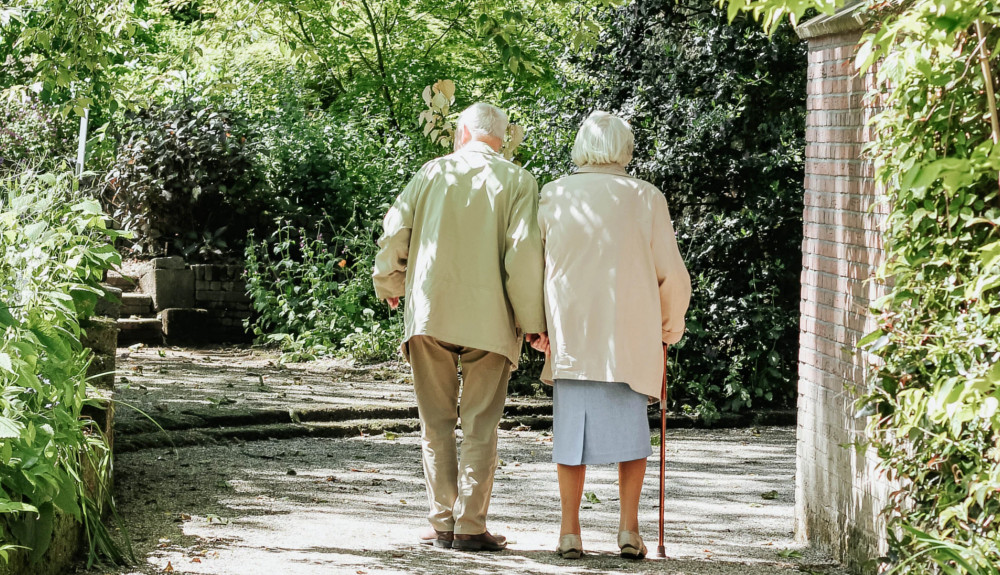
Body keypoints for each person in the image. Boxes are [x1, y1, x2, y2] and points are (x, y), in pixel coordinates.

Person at [372, 103, 548, 552]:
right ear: (502, 138)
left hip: (432, 312)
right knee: (480, 424)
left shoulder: (430, 173)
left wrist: (389, 281)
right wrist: (533, 323)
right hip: (491, 319)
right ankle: (470, 526)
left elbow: (395, 233)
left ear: (463, 132)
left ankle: (441, 522)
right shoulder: (519, 181)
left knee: (435, 423)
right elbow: (523, 255)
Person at [534, 111, 691, 560]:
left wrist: (537, 326)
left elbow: (535, 267)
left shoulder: (554, 194)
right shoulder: (646, 198)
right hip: (630, 333)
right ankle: (628, 529)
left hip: (573, 333)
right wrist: (669, 325)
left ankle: (569, 531)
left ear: (581, 146)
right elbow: (671, 274)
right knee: (632, 435)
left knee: (570, 436)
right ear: (626, 148)